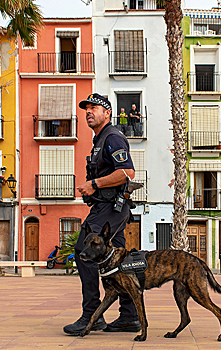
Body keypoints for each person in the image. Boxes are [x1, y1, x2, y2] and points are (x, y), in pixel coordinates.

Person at [63, 93, 140, 336]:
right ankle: (129, 316)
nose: (89, 111)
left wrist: (94, 184)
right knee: (119, 259)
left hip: (110, 209)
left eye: (94, 108)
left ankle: (91, 315)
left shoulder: (112, 137)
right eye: (86, 108)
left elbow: (128, 172)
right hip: (107, 208)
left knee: (83, 252)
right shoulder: (100, 140)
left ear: (107, 113)